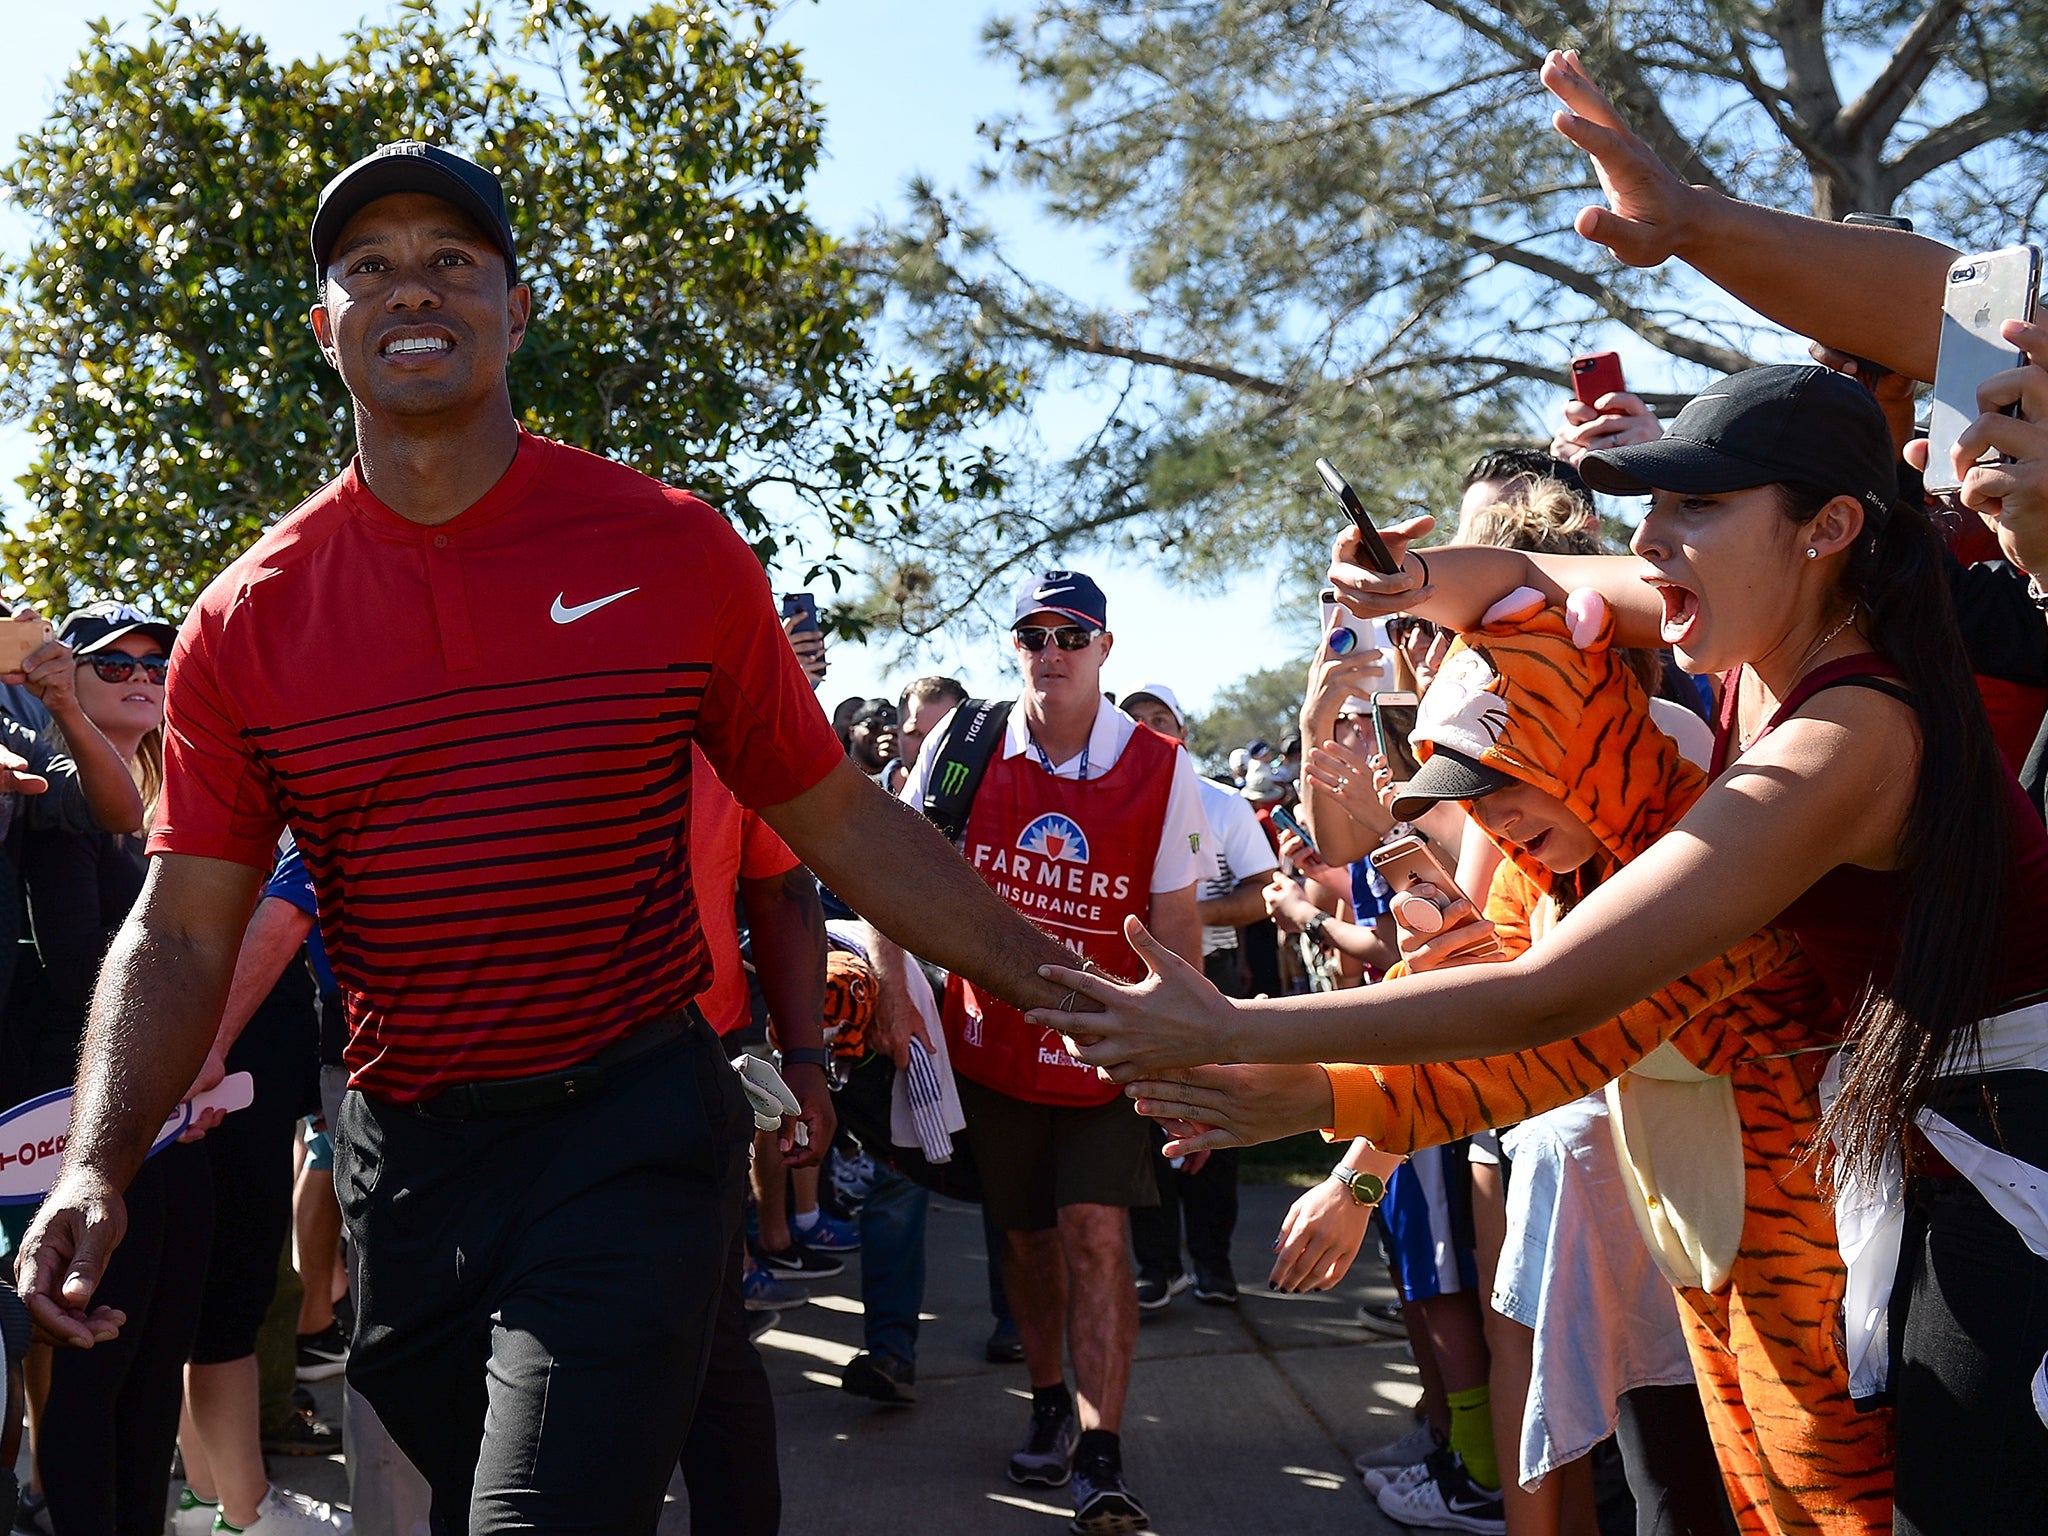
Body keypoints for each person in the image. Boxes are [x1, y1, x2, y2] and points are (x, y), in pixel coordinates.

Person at [18, 143, 1131, 1536]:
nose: (409, 289)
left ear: (516, 307)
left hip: (632, 1122)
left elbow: (839, 818)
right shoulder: (248, 617)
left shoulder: (671, 547)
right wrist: (97, 1164)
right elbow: (179, 927)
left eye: (450, 261)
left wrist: (1077, 995)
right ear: (326, 328)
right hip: (412, 1162)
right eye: (369, 267)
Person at [1041, 360, 2048, 1533]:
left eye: (1695, 507)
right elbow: (1516, 575)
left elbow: (1555, 995)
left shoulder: (1846, 734)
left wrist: (1236, 1027)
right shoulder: (1768, 610)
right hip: (1903, 1127)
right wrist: (1409, 578)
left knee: (1948, 1501)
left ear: (1825, 527)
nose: (1649, 543)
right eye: (1649, 508)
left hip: (2007, 1141)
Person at [882, 570, 1210, 1535]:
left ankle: (1102, 1453)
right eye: (1032, 635)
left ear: (1107, 648)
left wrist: (1187, 1050)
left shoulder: (1159, 764)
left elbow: (1180, 921)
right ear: (1014, 647)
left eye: (1072, 635)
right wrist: (901, 993)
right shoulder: (966, 741)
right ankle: (1045, 1397)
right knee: (1023, 1238)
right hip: (990, 1047)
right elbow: (892, 866)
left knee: (1096, 1233)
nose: (1051, 652)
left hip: (1110, 1047)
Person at [0, 604, 204, 1536]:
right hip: (80, 1108)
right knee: (92, 1358)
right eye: (110, 662)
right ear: (53, 680)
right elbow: (85, 965)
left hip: (167, 1110)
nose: (139, 673)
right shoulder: (53, 788)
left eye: (154, 660)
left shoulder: (146, 800)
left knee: (154, 1355)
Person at [1119, 684, 1274, 1309]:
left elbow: (1264, 891)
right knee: (1140, 1117)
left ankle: (1213, 1263)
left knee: (1219, 1112)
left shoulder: (1224, 804)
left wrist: (1181, 910)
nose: (1150, 729)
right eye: (1134, 721)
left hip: (1215, 971)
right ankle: (1158, 1265)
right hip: (1134, 977)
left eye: (1162, 719)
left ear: (1182, 732)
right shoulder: (1113, 798)